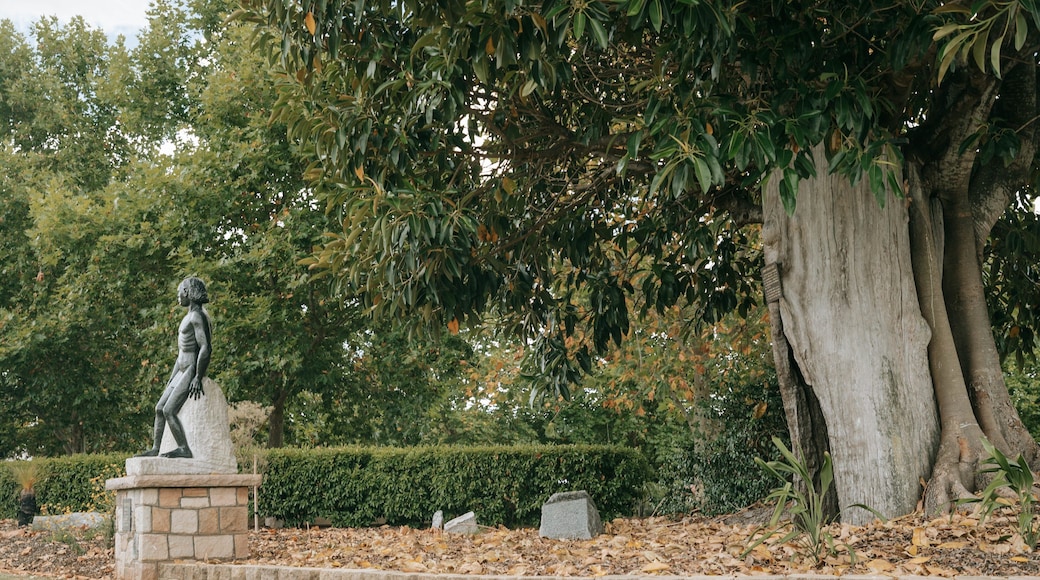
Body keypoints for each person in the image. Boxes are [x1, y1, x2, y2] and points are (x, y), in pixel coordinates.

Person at [137, 277, 212, 458]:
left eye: (179, 292)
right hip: (180, 369)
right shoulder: (189, 316)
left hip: (190, 369)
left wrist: (197, 377)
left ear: (187, 292)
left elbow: (205, 347)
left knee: (169, 410)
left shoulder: (197, 316)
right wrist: (172, 377)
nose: (178, 296)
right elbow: (181, 353)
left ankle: (184, 448)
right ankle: (156, 448)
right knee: (159, 408)